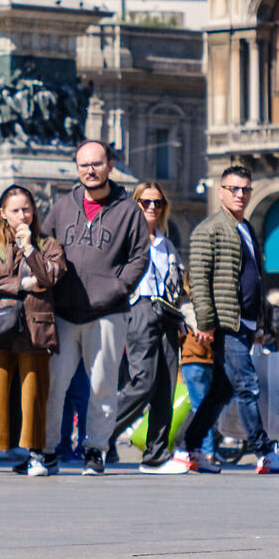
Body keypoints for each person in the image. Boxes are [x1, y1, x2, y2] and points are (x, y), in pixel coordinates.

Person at [42, 139, 150, 474]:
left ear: (110, 166)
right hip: (64, 311)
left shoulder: (128, 209)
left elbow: (140, 256)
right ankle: (46, 449)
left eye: (96, 163)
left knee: (103, 385)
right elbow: (44, 242)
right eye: (84, 164)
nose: (90, 170)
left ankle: (95, 449)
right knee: (54, 385)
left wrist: (117, 287)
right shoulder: (62, 206)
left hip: (107, 312)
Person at [180, 162, 279, 473]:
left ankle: (191, 447)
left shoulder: (247, 227)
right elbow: (199, 279)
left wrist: (260, 323)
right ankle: (264, 453)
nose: (240, 194)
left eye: (245, 189)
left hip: (247, 324)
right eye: (233, 189)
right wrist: (207, 322)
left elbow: (255, 278)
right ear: (221, 192)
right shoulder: (208, 230)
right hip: (227, 323)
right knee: (247, 386)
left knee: (222, 391)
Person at [0, 183, 61, 476]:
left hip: (35, 326)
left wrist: (30, 249)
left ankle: (35, 455)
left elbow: (50, 277)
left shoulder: (49, 245)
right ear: (2, 213)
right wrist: (22, 284)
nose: (22, 215)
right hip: (0, 326)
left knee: (34, 391)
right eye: (15, 210)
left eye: (27, 209)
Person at [114, 183, 190, 473]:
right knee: (142, 381)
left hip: (168, 314)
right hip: (140, 309)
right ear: (135, 205)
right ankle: (97, 435)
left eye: (157, 203)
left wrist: (185, 318)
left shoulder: (166, 244)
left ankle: (156, 454)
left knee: (165, 385)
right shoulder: (126, 241)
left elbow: (178, 285)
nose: (152, 208)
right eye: (145, 202)